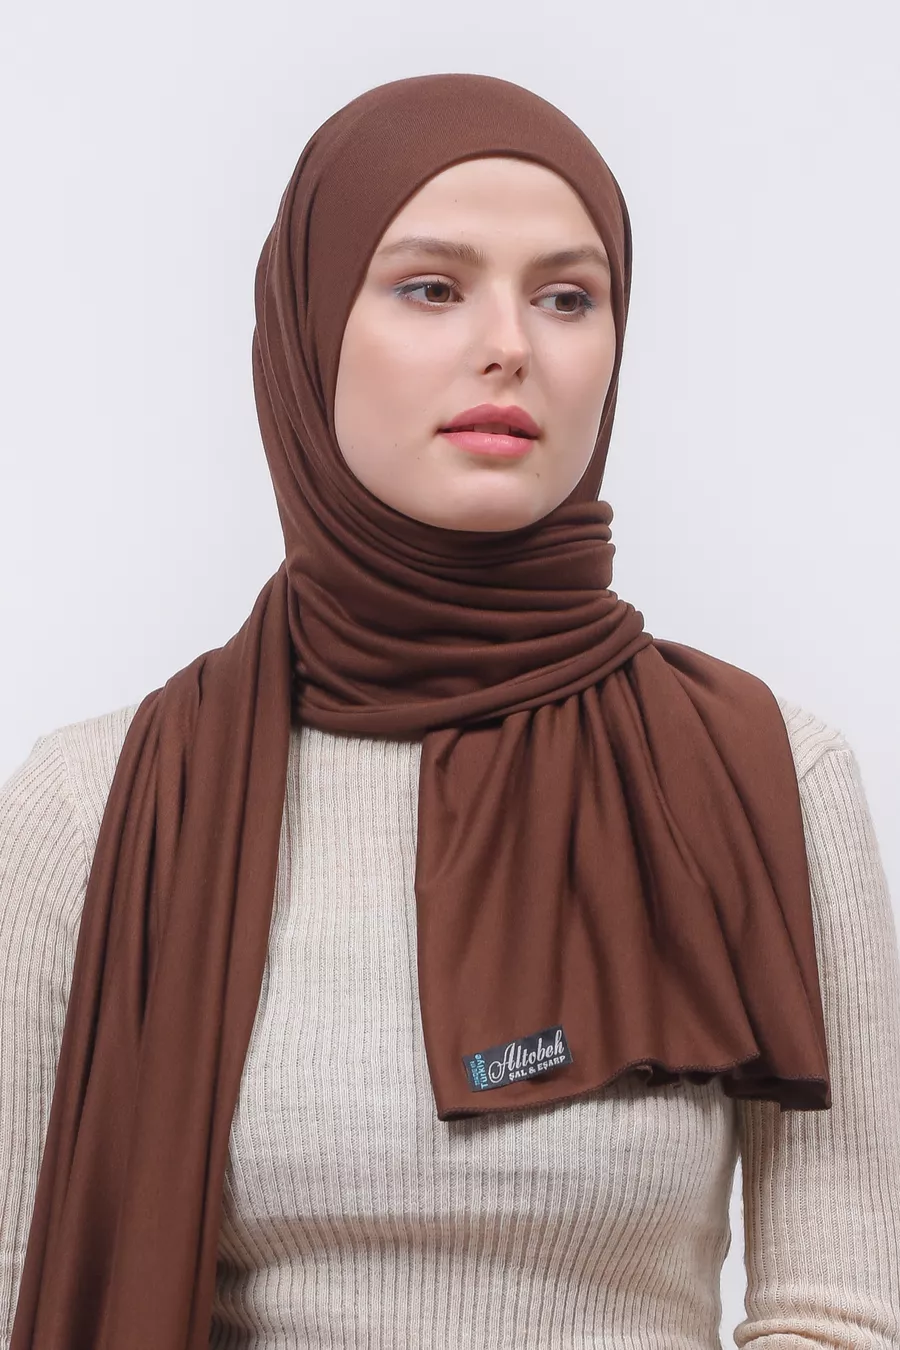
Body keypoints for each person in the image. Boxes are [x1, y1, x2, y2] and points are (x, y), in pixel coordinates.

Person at [1, 71, 898, 1349]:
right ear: (312, 330)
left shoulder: (764, 776)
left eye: (568, 296)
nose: (511, 345)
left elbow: (842, 1308)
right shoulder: (91, 807)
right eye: (432, 287)